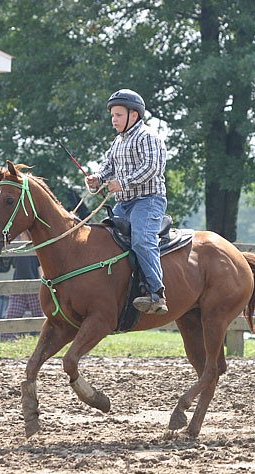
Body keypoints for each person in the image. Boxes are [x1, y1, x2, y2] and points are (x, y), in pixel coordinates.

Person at [86, 89, 168, 315]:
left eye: (118, 115)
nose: (114, 120)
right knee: (102, 239)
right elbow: (108, 167)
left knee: (142, 240)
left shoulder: (149, 137)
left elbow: (152, 168)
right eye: (112, 115)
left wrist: (122, 183)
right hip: (124, 203)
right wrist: (97, 178)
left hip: (148, 201)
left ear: (134, 115)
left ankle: (156, 293)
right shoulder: (117, 142)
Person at [0, 244, 44, 341]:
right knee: (11, 317)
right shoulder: (15, 247)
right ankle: (6, 339)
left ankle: (44, 339)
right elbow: (6, 261)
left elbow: (41, 268)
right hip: (18, 287)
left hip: (33, 287)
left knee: (39, 318)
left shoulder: (35, 246)